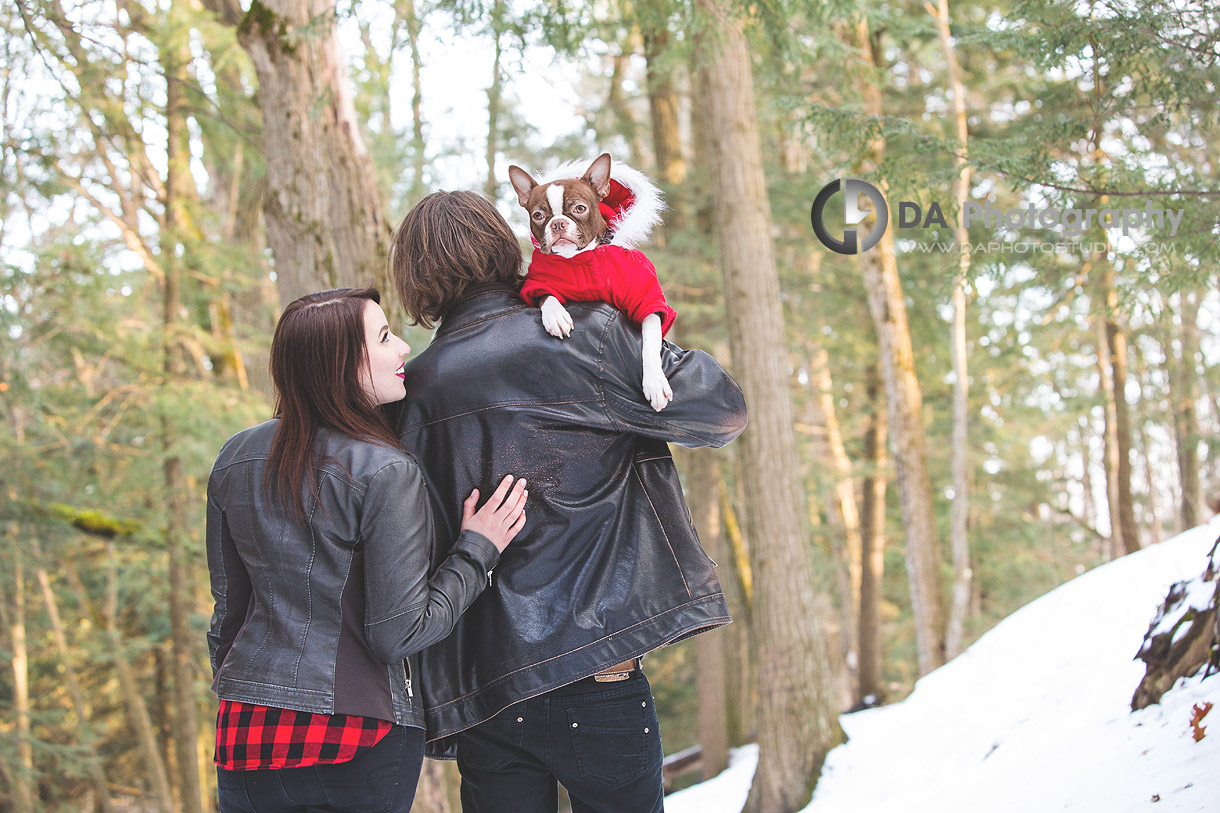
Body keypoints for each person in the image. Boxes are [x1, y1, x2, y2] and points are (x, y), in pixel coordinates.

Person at [389, 191, 747, 813]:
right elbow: (722, 408)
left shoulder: (406, 398)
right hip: (598, 670)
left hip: (485, 690)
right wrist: (627, 322)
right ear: (508, 249)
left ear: (414, 279)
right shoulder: (587, 337)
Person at [205, 286, 528, 812]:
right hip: (358, 734)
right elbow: (398, 633)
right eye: (382, 338)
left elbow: (228, 618)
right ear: (339, 366)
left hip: (248, 735)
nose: (402, 348)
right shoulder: (384, 469)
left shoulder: (234, 458)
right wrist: (477, 550)